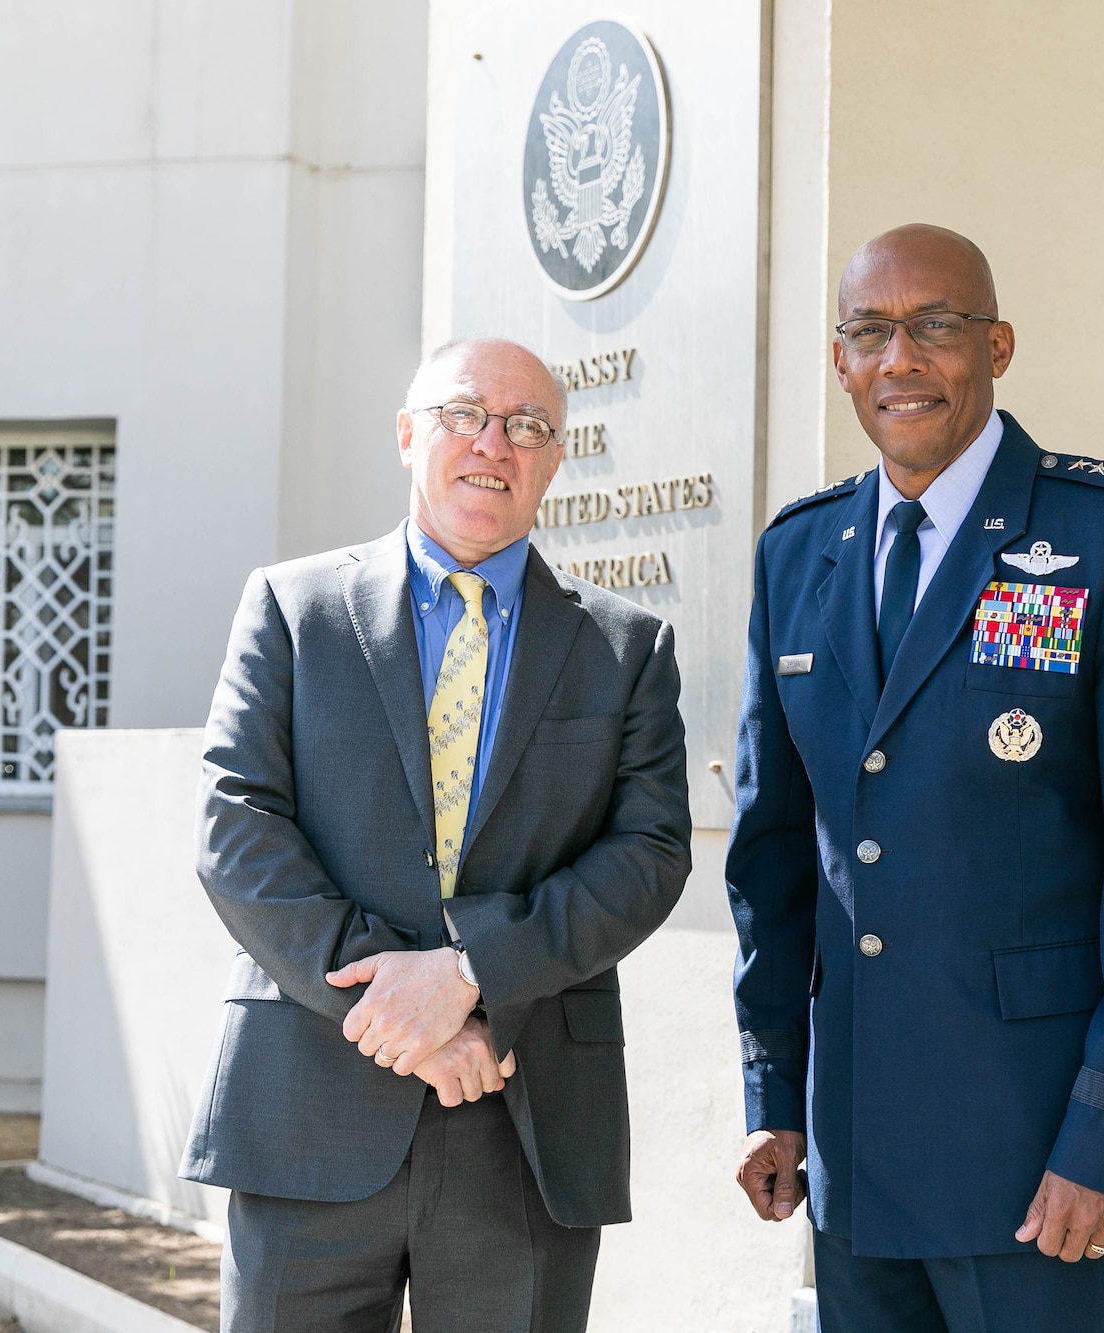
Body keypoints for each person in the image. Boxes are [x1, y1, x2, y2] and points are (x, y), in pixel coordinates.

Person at [726, 225, 1104, 1331]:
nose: (899, 359)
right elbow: (773, 856)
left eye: (935, 326)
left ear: (996, 345)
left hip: (1039, 1163)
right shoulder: (796, 555)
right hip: (854, 1158)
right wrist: (773, 1095)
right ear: (839, 361)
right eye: (868, 330)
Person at [181, 337, 691, 1333]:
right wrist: (395, 1003)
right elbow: (236, 825)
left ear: (552, 459)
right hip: (311, 1111)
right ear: (409, 434)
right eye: (464, 413)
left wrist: (465, 975)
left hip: (524, 1115)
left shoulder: (624, 648)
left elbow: (648, 856)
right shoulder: (294, 608)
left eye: (527, 425)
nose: (492, 442)